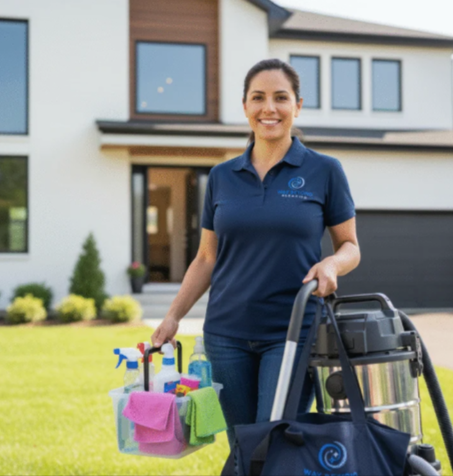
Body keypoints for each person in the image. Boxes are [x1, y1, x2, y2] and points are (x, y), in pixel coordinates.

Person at [151, 58, 360, 447]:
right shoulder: (221, 176)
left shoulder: (324, 170)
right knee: (244, 448)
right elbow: (206, 258)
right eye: (258, 98)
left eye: (281, 98)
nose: (269, 108)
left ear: (297, 106)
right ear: (245, 106)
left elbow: (350, 246)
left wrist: (332, 262)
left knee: (278, 443)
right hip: (226, 333)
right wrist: (172, 317)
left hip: (292, 331)